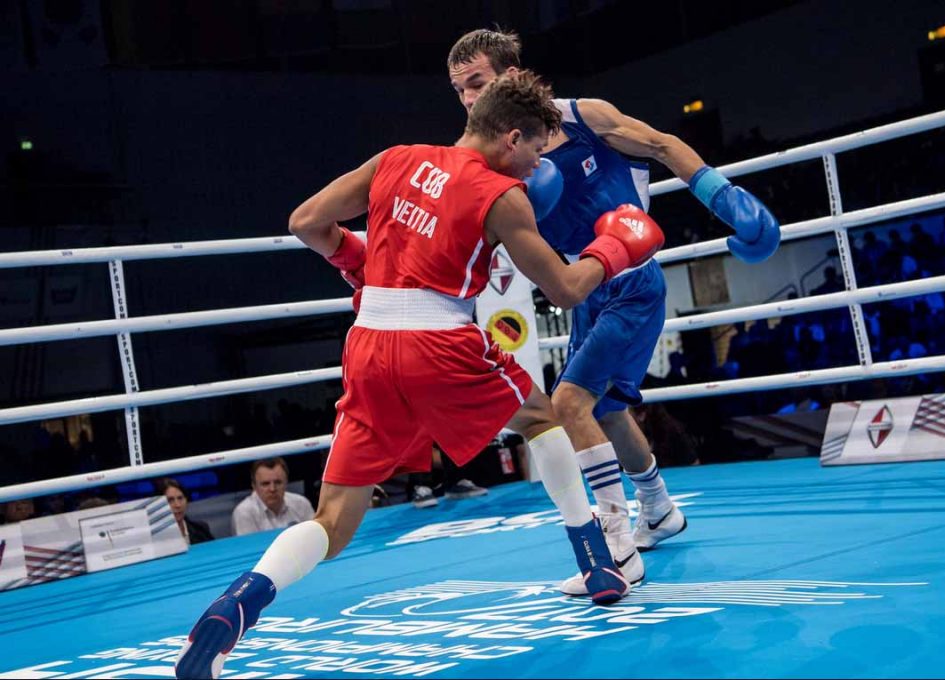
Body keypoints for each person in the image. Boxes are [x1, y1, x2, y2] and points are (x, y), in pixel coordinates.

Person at [175, 71, 664, 680]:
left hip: (369, 345)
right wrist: (614, 248)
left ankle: (234, 610)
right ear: (512, 138)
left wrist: (357, 263)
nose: (540, 165)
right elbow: (565, 290)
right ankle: (595, 559)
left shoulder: (395, 159)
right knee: (541, 416)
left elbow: (306, 222)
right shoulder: (501, 195)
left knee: (332, 521)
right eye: (538, 150)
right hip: (440, 341)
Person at [446, 29, 781, 595]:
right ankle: (659, 510)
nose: (469, 100)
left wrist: (726, 199)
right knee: (603, 410)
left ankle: (617, 551)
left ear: (509, 73)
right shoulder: (482, 156)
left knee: (569, 403)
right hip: (583, 285)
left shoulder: (583, 116)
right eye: (458, 91)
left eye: (477, 83)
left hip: (631, 278)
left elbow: (663, 145)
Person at [230, 457, 314, 536]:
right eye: (265, 484)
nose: (272, 489)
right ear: (254, 486)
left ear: (286, 482)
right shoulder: (244, 513)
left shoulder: (302, 504)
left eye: (278, 482)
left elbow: (314, 537)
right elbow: (250, 548)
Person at [157, 477, 214, 545]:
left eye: (180, 498)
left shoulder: (201, 529)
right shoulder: (156, 539)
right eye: (170, 500)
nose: (177, 505)